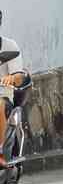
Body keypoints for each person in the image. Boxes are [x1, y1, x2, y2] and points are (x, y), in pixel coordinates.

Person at [0, 36, 28, 168]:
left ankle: (0, 152)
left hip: (3, 96)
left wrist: (12, 78)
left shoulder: (9, 46)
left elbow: (20, 76)